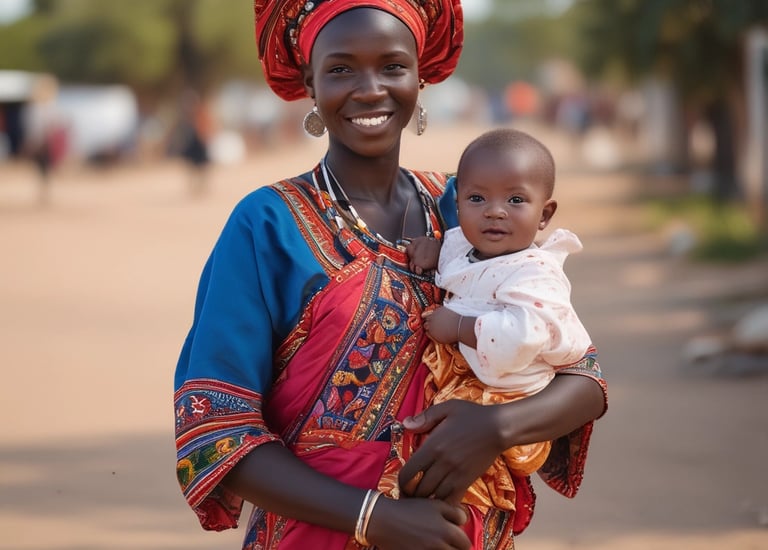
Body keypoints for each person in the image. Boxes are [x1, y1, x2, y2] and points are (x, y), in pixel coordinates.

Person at [173, 1, 607, 549]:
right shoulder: (268, 225)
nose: (370, 88)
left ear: (421, 76)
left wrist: (494, 428)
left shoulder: (469, 208)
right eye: (341, 69)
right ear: (309, 81)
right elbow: (214, 429)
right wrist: (374, 517)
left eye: (392, 66)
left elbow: (582, 373)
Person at [378, 128, 593, 523]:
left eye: (515, 200)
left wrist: (459, 326)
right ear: (457, 204)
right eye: (477, 199)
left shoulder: (534, 274)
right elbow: (460, 257)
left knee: (455, 482)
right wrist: (434, 246)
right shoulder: (468, 242)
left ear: (544, 214)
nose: (495, 211)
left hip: (509, 397)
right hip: (471, 382)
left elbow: (523, 334)